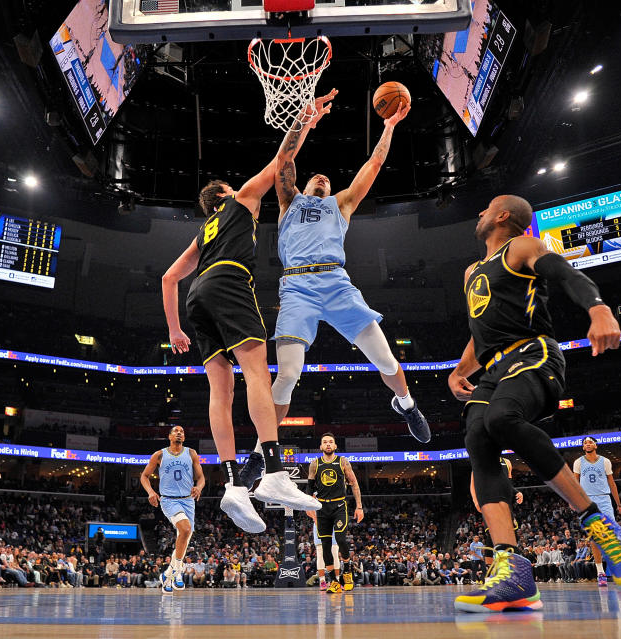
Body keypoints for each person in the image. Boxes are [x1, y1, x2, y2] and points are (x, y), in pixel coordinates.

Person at [447, 195, 621, 613]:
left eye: (486, 207)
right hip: (492, 368)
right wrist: (458, 370)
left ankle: (597, 521)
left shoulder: (519, 246)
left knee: (502, 417)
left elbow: (561, 269)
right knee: (477, 437)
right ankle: (514, 571)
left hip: (533, 353)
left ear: (503, 216)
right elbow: (480, 330)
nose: (479, 212)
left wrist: (598, 306)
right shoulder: (471, 272)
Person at [160, 98, 332, 531]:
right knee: (257, 375)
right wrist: (305, 120)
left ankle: (235, 484)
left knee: (222, 390)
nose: (240, 188)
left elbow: (168, 278)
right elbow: (283, 160)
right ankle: (273, 472)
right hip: (230, 283)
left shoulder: (205, 231)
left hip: (197, 296)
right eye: (232, 188)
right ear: (223, 196)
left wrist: (175, 329)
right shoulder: (240, 204)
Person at [269, 97, 429, 441]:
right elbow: (283, 159)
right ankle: (260, 450)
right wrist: (304, 119)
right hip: (296, 289)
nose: (322, 178)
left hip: (336, 283)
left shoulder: (341, 203)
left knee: (386, 361)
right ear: (306, 184)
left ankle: (407, 404)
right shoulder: (288, 201)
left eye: (326, 179)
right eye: (316, 177)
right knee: (287, 375)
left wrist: (388, 128)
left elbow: (373, 164)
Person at [141, 425, 205, 593]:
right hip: (169, 501)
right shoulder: (160, 454)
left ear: (184, 437)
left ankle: (169, 575)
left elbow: (201, 478)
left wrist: (199, 487)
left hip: (188, 501)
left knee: (184, 538)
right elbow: (144, 476)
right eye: (176, 431)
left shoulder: (191, 453)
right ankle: (176, 571)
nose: (179, 433)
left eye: (182, 431)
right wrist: (150, 492)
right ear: (169, 436)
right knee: (185, 529)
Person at [306, 433, 363, 593]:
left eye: (331, 442)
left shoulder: (343, 462)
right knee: (325, 545)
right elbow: (310, 487)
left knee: (340, 539)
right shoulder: (314, 464)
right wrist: (308, 505)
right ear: (321, 447)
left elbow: (354, 483)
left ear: (335, 446)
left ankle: (347, 571)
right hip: (322, 508)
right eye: (325, 442)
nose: (328, 444)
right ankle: (333, 582)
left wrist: (359, 506)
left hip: (339, 506)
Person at [573, 436, 621, 587]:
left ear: (596, 445)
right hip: (587, 501)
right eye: (585, 443)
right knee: (595, 537)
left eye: (590, 442)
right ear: (583, 447)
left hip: (604, 499)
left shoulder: (605, 461)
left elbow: (612, 484)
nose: (588, 444)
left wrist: (619, 505)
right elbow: (574, 483)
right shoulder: (578, 462)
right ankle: (600, 573)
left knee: (611, 533)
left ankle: (618, 568)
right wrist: (573, 500)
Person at [470, 457, 523, 569]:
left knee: (511, 534)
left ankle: (511, 569)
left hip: (505, 502)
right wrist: (476, 502)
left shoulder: (507, 462)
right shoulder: (480, 459)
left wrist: (517, 492)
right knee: (491, 536)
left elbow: (507, 484)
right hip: (488, 502)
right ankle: (490, 572)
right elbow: (473, 484)